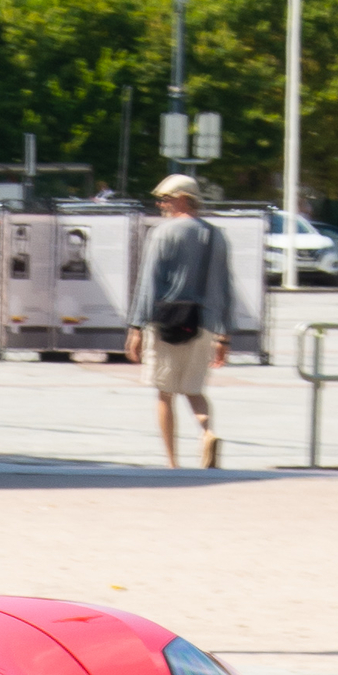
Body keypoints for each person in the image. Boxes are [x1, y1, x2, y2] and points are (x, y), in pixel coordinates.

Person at [124, 173, 231, 469]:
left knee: (164, 393)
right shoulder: (216, 236)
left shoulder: (163, 233)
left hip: (167, 323)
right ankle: (208, 432)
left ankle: (172, 462)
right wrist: (224, 336)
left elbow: (149, 283)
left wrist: (136, 327)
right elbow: (224, 287)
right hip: (204, 324)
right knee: (195, 390)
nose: (161, 204)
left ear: (182, 198)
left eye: (166, 198)